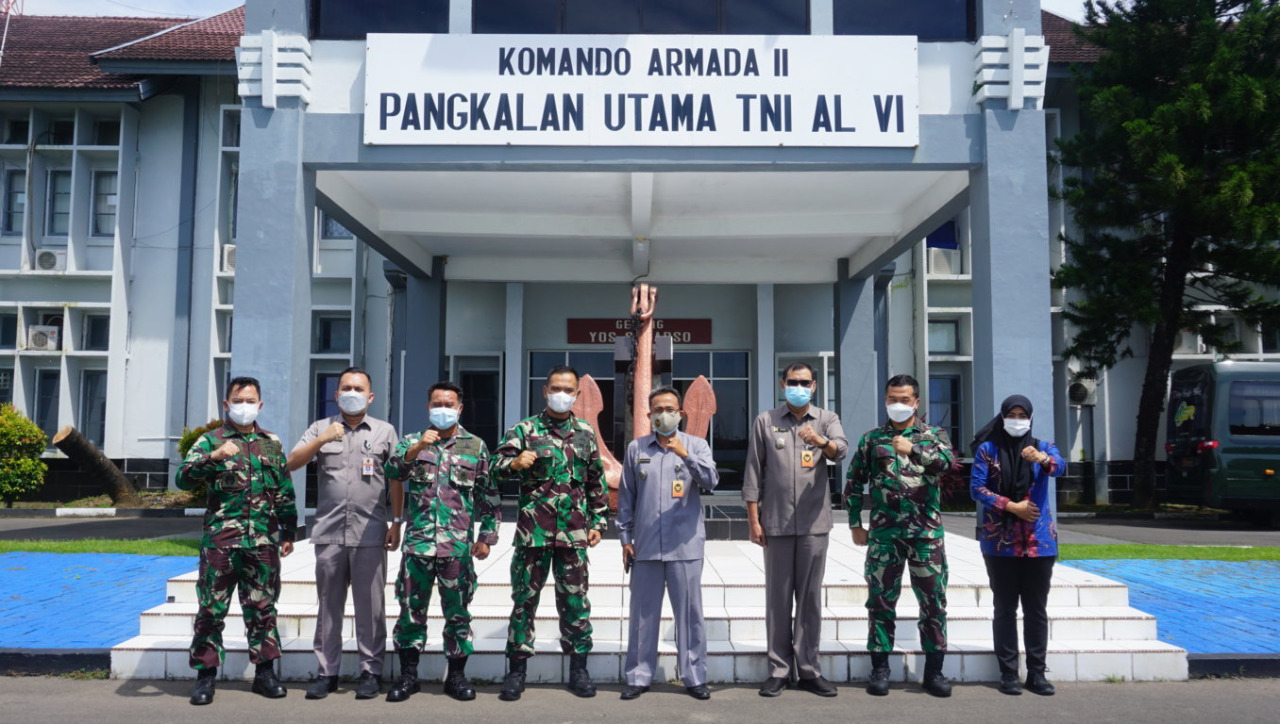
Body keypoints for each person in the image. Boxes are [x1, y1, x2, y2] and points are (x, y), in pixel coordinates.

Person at [176, 376, 296, 706]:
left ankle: (265, 674)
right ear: (227, 405)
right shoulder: (209, 441)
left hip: (263, 542)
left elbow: (284, 489)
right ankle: (204, 677)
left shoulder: (271, 442)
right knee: (211, 611)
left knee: (263, 609)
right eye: (238, 400)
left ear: (260, 405)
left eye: (251, 400)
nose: (245, 406)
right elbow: (182, 478)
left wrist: (289, 530)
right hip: (221, 543)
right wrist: (212, 458)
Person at [492, 365, 608, 701]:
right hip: (534, 535)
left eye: (568, 389)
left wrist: (598, 523)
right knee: (523, 603)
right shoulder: (525, 430)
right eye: (556, 388)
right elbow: (493, 470)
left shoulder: (585, 433)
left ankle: (579, 669)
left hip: (573, 535)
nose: (562, 394)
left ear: (577, 394)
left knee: (575, 602)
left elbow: (595, 482)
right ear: (545, 391)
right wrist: (513, 464)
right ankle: (516, 671)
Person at [382, 381, 500, 702]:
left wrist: (487, 537)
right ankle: (409, 677)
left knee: (458, 613)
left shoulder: (475, 447)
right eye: (437, 404)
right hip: (418, 545)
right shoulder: (412, 441)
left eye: (449, 405)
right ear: (428, 407)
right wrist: (418, 447)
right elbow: (393, 470)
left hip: (457, 548)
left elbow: (489, 495)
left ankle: (457, 677)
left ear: (460, 409)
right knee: (410, 612)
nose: (443, 410)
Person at [287, 367, 399, 700]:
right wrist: (322, 440)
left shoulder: (384, 431)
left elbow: (396, 478)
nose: (352, 392)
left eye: (358, 388)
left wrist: (397, 521)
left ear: (370, 396)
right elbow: (292, 462)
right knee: (328, 606)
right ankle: (327, 672)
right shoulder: (320, 428)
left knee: (370, 607)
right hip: (330, 532)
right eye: (346, 388)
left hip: (371, 532)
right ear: (336, 395)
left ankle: (370, 671)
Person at [742, 362, 848, 698]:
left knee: (810, 599)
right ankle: (779, 669)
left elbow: (841, 450)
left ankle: (808, 669)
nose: (798, 387)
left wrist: (820, 440)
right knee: (777, 599)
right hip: (776, 523)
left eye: (804, 382)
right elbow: (753, 473)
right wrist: (753, 520)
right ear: (781, 384)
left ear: (814, 386)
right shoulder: (766, 420)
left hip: (814, 524)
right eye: (792, 382)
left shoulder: (826, 419)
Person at [846, 373, 954, 698]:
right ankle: (880, 669)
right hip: (884, 535)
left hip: (926, 535)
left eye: (905, 399)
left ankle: (934, 673)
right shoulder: (871, 439)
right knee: (880, 603)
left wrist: (915, 450)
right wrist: (855, 523)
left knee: (933, 603)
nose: (898, 404)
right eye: (893, 399)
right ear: (885, 400)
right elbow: (853, 482)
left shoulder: (934, 435)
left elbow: (947, 465)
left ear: (916, 402)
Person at [617, 386, 720, 701]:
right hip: (646, 544)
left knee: (690, 615)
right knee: (642, 616)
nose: (663, 415)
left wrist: (685, 456)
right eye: (657, 410)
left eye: (669, 409)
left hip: (684, 546)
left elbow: (711, 481)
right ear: (649, 415)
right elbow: (626, 498)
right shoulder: (637, 449)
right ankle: (638, 676)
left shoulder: (696, 445)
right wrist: (625, 538)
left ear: (681, 414)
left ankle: (693, 676)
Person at [970, 394, 1065, 697]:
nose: (1017, 419)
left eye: (1023, 414)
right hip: (1000, 543)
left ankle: (1037, 673)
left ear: (1031, 418)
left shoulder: (1043, 447)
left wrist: (1043, 459)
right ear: (1002, 416)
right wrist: (1011, 506)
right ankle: (1008, 672)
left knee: (1036, 609)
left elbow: (1060, 467)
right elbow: (977, 488)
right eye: (1012, 414)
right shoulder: (988, 450)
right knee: (1005, 608)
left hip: (1039, 543)